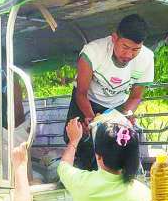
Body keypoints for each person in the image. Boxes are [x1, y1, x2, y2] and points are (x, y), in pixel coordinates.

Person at [65, 14, 154, 169]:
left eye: (135, 50)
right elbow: (81, 93)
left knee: (113, 144)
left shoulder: (147, 58)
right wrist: (91, 119)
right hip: (87, 100)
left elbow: (135, 97)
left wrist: (125, 115)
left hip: (117, 106)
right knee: (78, 138)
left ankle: (110, 175)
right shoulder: (92, 52)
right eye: (125, 47)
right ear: (114, 38)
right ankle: (78, 172)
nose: (129, 55)